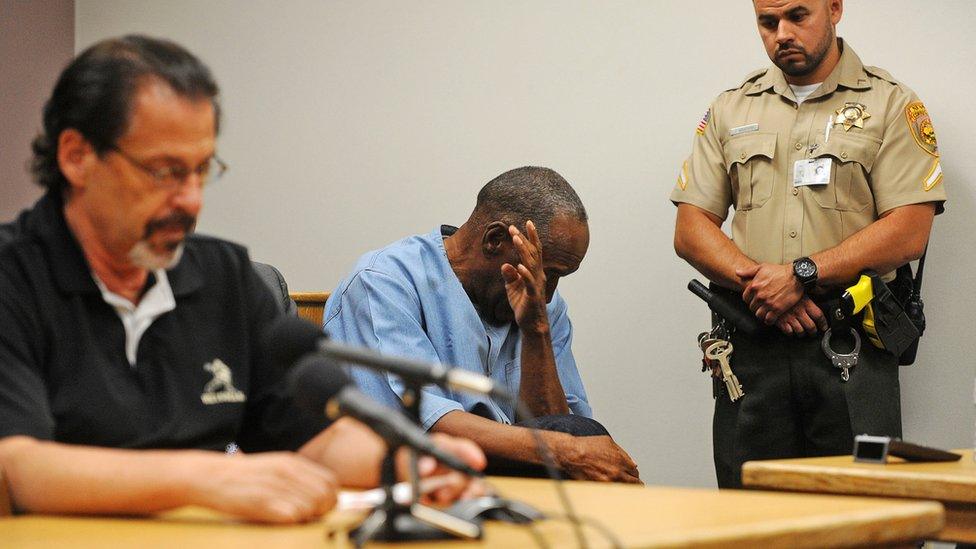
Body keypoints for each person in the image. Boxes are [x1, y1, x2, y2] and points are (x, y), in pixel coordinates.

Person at [0, 35, 484, 524]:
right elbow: (15, 467)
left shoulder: (224, 278)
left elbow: (318, 440)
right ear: (76, 156)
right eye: (165, 172)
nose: (191, 201)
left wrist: (406, 464)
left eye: (202, 170)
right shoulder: (12, 275)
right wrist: (205, 477)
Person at [671, 0, 946, 488]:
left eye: (798, 16)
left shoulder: (890, 104)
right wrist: (764, 288)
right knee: (751, 515)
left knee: (865, 513)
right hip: (752, 343)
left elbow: (909, 229)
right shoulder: (732, 108)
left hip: (850, 340)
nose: (782, 33)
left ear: (835, 8)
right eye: (767, 21)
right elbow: (692, 226)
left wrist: (801, 274)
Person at [324, 167, 640, 483]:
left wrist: (536, 332)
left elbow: (559, 425)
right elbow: (423, 425)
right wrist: (565, 450)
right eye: (549, 272)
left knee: (579, 434)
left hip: (514, 482)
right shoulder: (384, 282)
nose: (549, 291)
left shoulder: (543, 304)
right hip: (418, 474)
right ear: (494, 239)